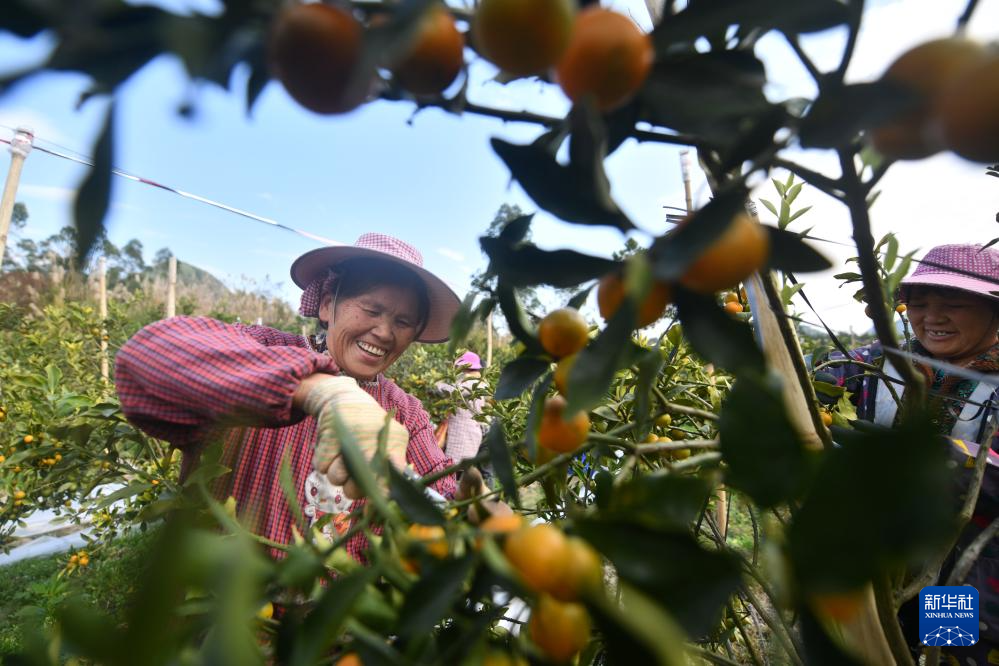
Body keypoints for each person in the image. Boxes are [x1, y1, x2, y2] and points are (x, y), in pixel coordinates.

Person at [114, 232, 481, 560]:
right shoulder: (263, 349)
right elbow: (147, 356)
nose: (385, 332)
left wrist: (471, 506)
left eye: (403, 322)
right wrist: (319, 390)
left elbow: (438, 487)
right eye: (371, 310)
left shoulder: (403, 412)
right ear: (326, 305)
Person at [817, 244, 998, 663]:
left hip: (956, 575)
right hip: (872, 567)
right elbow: (808, 381)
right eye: (919, 304)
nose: (932, 317)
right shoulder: (875, 366)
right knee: (873, 651)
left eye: (952, 303)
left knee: (940, 656)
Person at [435, 351, 488, 466]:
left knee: (454, 469)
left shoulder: (473, 383)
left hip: (463, 435)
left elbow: (453, 391)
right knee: (454, 469)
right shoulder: (476, 382)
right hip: (465, 433)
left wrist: (437, 385)